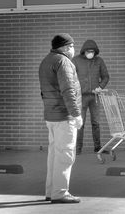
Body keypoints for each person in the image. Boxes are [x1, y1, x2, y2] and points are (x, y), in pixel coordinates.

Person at [38, 33, 83, 204]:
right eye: (72, 46)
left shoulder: (46, 60)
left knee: (54, 155)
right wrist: (76, 114)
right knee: (65, 155)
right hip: (64, 116)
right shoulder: (63, 62)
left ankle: (51, 191)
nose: (73, 50)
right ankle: (60, 193)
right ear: (66, 47)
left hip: (51, 115)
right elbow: (68, 91)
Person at [72, 40, 110, 155]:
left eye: (93, 51)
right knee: (80, 123)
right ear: (84, 51)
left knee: (96, 123)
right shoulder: (76, 61)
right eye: (89, 51)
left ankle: (98, 148)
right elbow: (71, 77)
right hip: (81, 97)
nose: (91, 53)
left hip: (95, 97)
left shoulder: (99, 61)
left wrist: (100, 87)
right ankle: (77, 149)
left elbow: (106, 77)